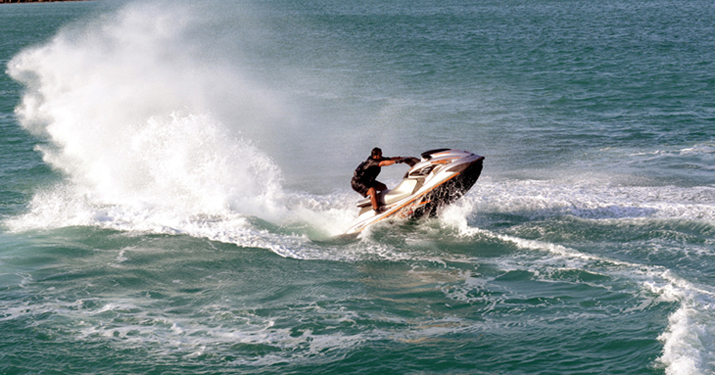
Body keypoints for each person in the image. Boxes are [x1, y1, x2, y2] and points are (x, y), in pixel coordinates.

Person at [351, 147, 405, 213]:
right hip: (357, 183)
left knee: (383, 187)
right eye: (380, 155)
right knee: (372, 191)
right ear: (374, 156)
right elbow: (384, 163)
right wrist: (396, 162)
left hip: (367, 181)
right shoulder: (371, 162)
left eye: (381, 154)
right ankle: (377, 210)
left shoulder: (378, 158)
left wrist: (401, 158)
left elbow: (389, 159)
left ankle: (382, 203)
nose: (381, 156)